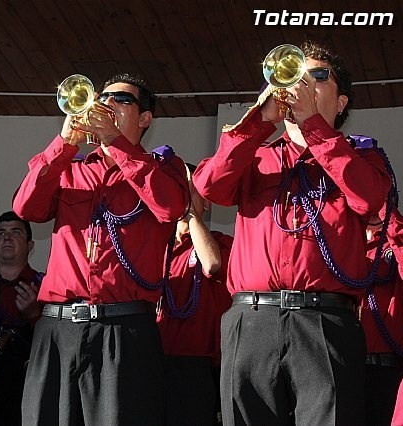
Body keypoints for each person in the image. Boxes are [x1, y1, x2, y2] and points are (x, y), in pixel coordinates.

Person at [192, 40, 392, 425]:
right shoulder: (256, 153)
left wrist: (313, 126)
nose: (302, 83)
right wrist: (259, 121)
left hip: (326, 322)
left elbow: (369, 198)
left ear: (341, 103)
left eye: (318, 76)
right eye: (295, 76)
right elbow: (210, 188)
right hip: (251, 319)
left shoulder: (363, 156)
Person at [13, 73, 188, 426]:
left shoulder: (163, 167)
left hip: (124, 329)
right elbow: (26, 208)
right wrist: (65, 142)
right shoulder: (72, 167)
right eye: (103, 98)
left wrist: (113, 140)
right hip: (58, 328)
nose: (106, 104)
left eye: (121, 100)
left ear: (144, 119)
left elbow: (170, 207)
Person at [156, 163, 233, 426]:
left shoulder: (223, 242)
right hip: (152, 362)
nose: (180, 196)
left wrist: (189, 213)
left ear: (207, 203)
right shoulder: (155, 248)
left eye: (188, 191)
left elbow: (212, 264)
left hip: (198, 368)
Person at [0, 211, 42, 426]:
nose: (7, 238)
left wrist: (35, 316)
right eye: (1, 233)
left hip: (31, 393)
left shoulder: (48, 287)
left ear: (30, 245)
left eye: (16, 232)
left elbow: (60, 345)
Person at [360, 208, 403, 426]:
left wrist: (389, 215)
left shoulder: (396, 237)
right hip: (337, 361)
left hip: (386, 363)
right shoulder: (335, 239)